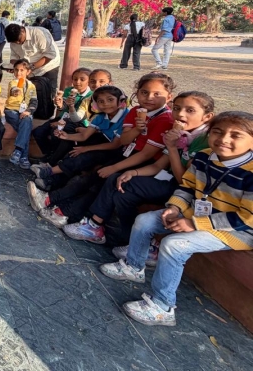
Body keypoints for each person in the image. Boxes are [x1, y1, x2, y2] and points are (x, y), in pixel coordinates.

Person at [98, 111, 253, 327]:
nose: (224, 139)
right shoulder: (204, 156)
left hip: (237, 230)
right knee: (145, 221)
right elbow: (187, 187)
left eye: (236, 135)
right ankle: (134, 267)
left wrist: (194, 223)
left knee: (174, 245)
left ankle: (163, 306)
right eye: (217, 132)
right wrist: (174, 207)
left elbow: (247, 218)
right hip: (198, 214)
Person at [63, 91, 214, 245]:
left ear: (207, 117)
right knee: (123, 193)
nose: (180, 114)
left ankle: (94, 224)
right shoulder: (179, 133)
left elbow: (183, 180)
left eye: (190, 110)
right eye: (176, 108)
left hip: (184, 191)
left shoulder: (205, 142)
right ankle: (133, 242)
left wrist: (172, 148)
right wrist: (133, 172)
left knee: (118, 180)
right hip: (165, 176)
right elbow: (157, 166)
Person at [30, 85, 129, 228]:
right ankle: (50, 183)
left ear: (121, 101)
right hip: (102, 145)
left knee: (87, 163)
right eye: (101, 101)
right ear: (96, 104)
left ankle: (49, 174)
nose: (105, 104)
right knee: (75, 146)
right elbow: (84, 136)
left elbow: (115, 145)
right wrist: (66, 136)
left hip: (116, 153)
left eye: (110, 100)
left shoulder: (126, 116)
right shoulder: (101, 117)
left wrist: (85, 148)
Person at [31, 67, 92, 166]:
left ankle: (52, 159)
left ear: (89, 81)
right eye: (75, 79)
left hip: (78, 122)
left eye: (82, 79)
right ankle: (49, 154)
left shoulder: (90, 95)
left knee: (55, 133)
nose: (77, 82)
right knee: (38, 132)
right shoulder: (69, 90)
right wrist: (59, 104)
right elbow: (63, 107)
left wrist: (61, 122)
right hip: (62, 118)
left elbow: (80, 117)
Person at [4, 23, 60, 105]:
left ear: (22, 31)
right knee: (30, 94)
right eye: (15, 42)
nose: (18, 43)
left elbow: (50, 54)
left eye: (19, 40)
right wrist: (13, 67)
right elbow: (14, 56)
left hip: (48, 67)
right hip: (28, 70)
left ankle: (47, 110)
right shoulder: (14, 39)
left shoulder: (38, 33)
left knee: (48, 94)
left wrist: (31, 67)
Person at [2, 59, 37, 170]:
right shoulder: (13, 83)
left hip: (24, 112)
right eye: (16, 70)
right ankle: (23, 154)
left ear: (28, 72)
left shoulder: (32, 86)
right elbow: (14, 89)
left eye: (22, 70)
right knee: (26, 128)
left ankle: (18, 152)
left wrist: (28, 111)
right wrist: (16, 91)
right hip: (11, 111)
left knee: (27, 120)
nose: (18, 73)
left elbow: (34, 101)